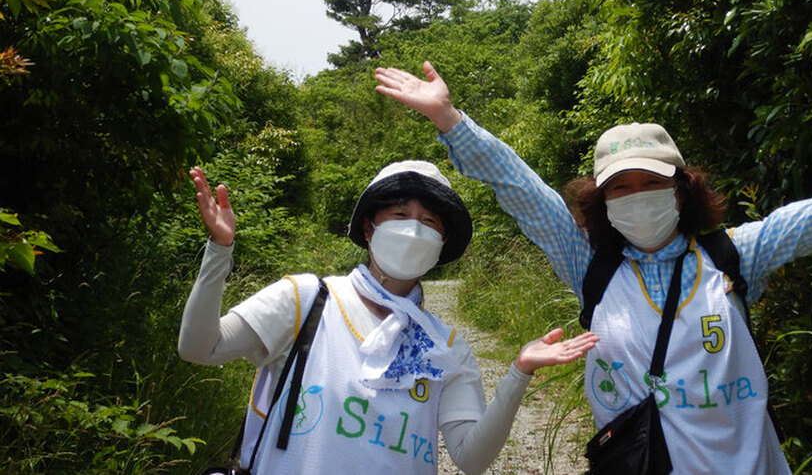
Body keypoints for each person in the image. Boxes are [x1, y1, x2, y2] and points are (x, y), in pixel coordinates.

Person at [374, 61, 812, 475]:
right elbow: (522, 190)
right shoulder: (590, 269)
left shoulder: (732, 254)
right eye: (618, 189)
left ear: (681, 188)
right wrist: (448, 118)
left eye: (648, 183)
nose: (635, 198)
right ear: (601, 202)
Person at [179, 159, 598, 475]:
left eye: (429, 222)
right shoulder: (307, 299)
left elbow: (470, 458)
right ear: (368, 228)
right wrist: (220, 250)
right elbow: (200, 347)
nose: (414, 230)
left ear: (441, 246)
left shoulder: (447, 347)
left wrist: (518, 372)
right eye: (399, 216)